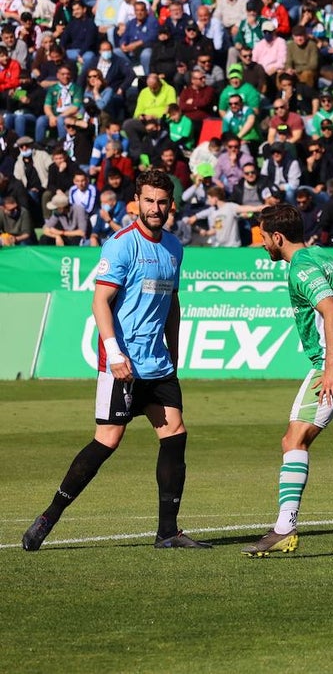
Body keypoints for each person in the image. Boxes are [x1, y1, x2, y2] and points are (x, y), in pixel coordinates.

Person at [22, 170, 209, 551]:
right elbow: (100, 302)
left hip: (158, 363)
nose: (156, 208)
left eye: (162, 202)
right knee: (107, 440)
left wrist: (174, 349)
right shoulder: (121, 245)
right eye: (149, 201)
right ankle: (49, 516)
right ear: (137, 202)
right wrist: (116, 351)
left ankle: (167, 533)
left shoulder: (175, 246)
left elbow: (171, 301)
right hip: (123, 363)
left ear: (171, 204)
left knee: (175, 436)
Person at [241, 204, 333, 557]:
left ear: (277, 237)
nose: (262, 245)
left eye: (263, 238)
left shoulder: (301, 269)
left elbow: (332, 311)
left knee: (294, 439)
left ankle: (284, 528)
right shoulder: (326, 257)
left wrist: (332, 366)